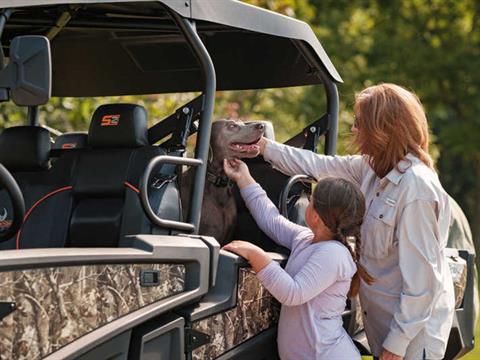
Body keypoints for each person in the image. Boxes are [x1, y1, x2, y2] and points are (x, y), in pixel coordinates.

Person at [254, 83, 454, 360]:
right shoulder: (371, 169)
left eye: (361, 123)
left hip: (411, 340)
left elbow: (422, 285)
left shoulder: (416, 189)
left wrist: (396, 346)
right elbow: (316, 165)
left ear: (382, 128)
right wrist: (262, 147)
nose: (355, 130)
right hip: (383, 327)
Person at [223, 158, 368, 360]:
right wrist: (244, 178)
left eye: (311, 200)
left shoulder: (334, 254)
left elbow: (293, 293)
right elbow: (272, 220)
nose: (308, 202)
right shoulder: (306, 239)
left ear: (316, 216)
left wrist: (256, 255)